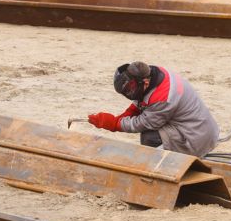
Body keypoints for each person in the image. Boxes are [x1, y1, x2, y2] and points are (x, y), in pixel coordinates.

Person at [87, 61, 219, 157]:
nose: (129, 94)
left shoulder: (163, 98)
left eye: (130, 89)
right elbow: (144, 99)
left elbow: (143, 123)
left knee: (150, 137)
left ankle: (163, 169)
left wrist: (115, 123)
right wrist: (126, 114)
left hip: (195, 138)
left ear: (144, 82)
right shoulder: (155, 73)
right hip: (198, 128)